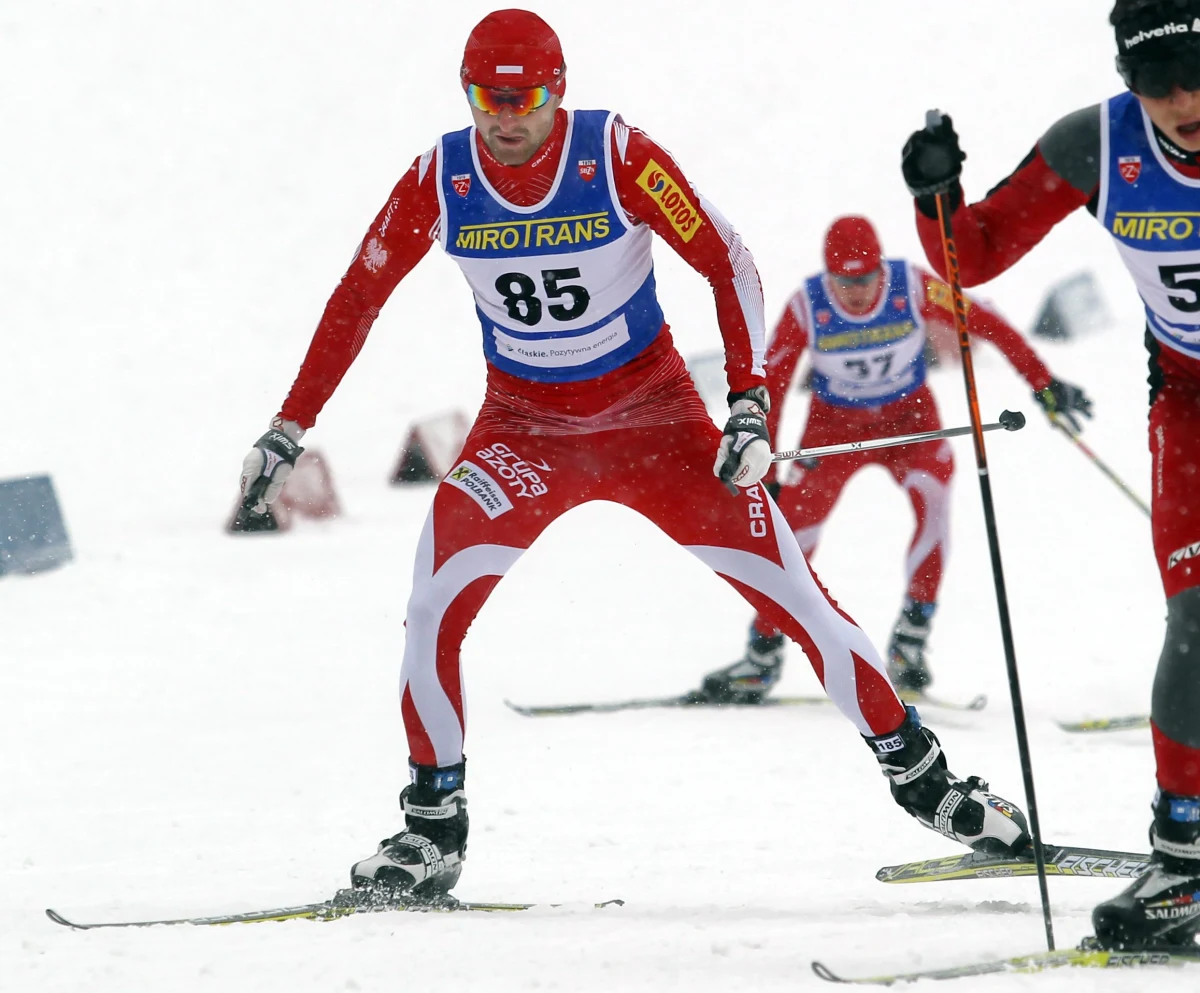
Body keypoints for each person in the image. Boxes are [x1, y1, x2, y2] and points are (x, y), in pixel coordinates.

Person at [239, 8, 1030, 906]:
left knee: (796, 597)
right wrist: (289, 424)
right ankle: (432, 831)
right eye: (485, 99)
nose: (504, 117)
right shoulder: (442, 174)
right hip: (522, 433)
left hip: (655, 425)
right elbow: (358, 293)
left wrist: (747, 401)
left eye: (524, 98)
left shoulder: (613, 153)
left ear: (558, 90)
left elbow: (724, 256)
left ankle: (928, 783)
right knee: (430, 607)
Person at [899, 0, 1200, 950]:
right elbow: (970, 256)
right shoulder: (1097, 145)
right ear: (1128, 83)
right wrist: (935, 192)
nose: (1183, 98)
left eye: (1197, 71)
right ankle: (1186, 858)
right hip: (1190, 400)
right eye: (1158, 82)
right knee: (1195, 619)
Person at [698, 216, 1091, 703]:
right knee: (793, 530)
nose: (857, 292)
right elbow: (772, 384)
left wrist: (1043, 383)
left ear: (879, 270)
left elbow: (986, 322)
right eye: (845, 280)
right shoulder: (807, 306)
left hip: (912, 424)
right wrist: (771, 472)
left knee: (935, 504)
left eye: (864, 279)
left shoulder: (914, 286)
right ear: (829, 275)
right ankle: (762, 655)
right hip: (835, 428)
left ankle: (910, 641)